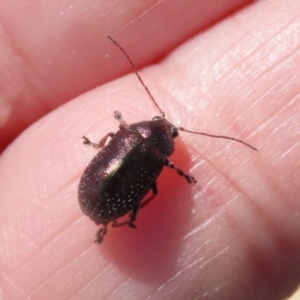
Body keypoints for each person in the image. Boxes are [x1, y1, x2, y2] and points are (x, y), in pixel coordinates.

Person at [0, 1, 299, 299]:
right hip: (101, 201)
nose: (166, 123)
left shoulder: (130, 134)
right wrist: (182, 175)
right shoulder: (158, 159)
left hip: (92, 196)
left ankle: (125, 217)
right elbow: (150, 189)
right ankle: (129, 218)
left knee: (141, 177)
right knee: (152, 190)